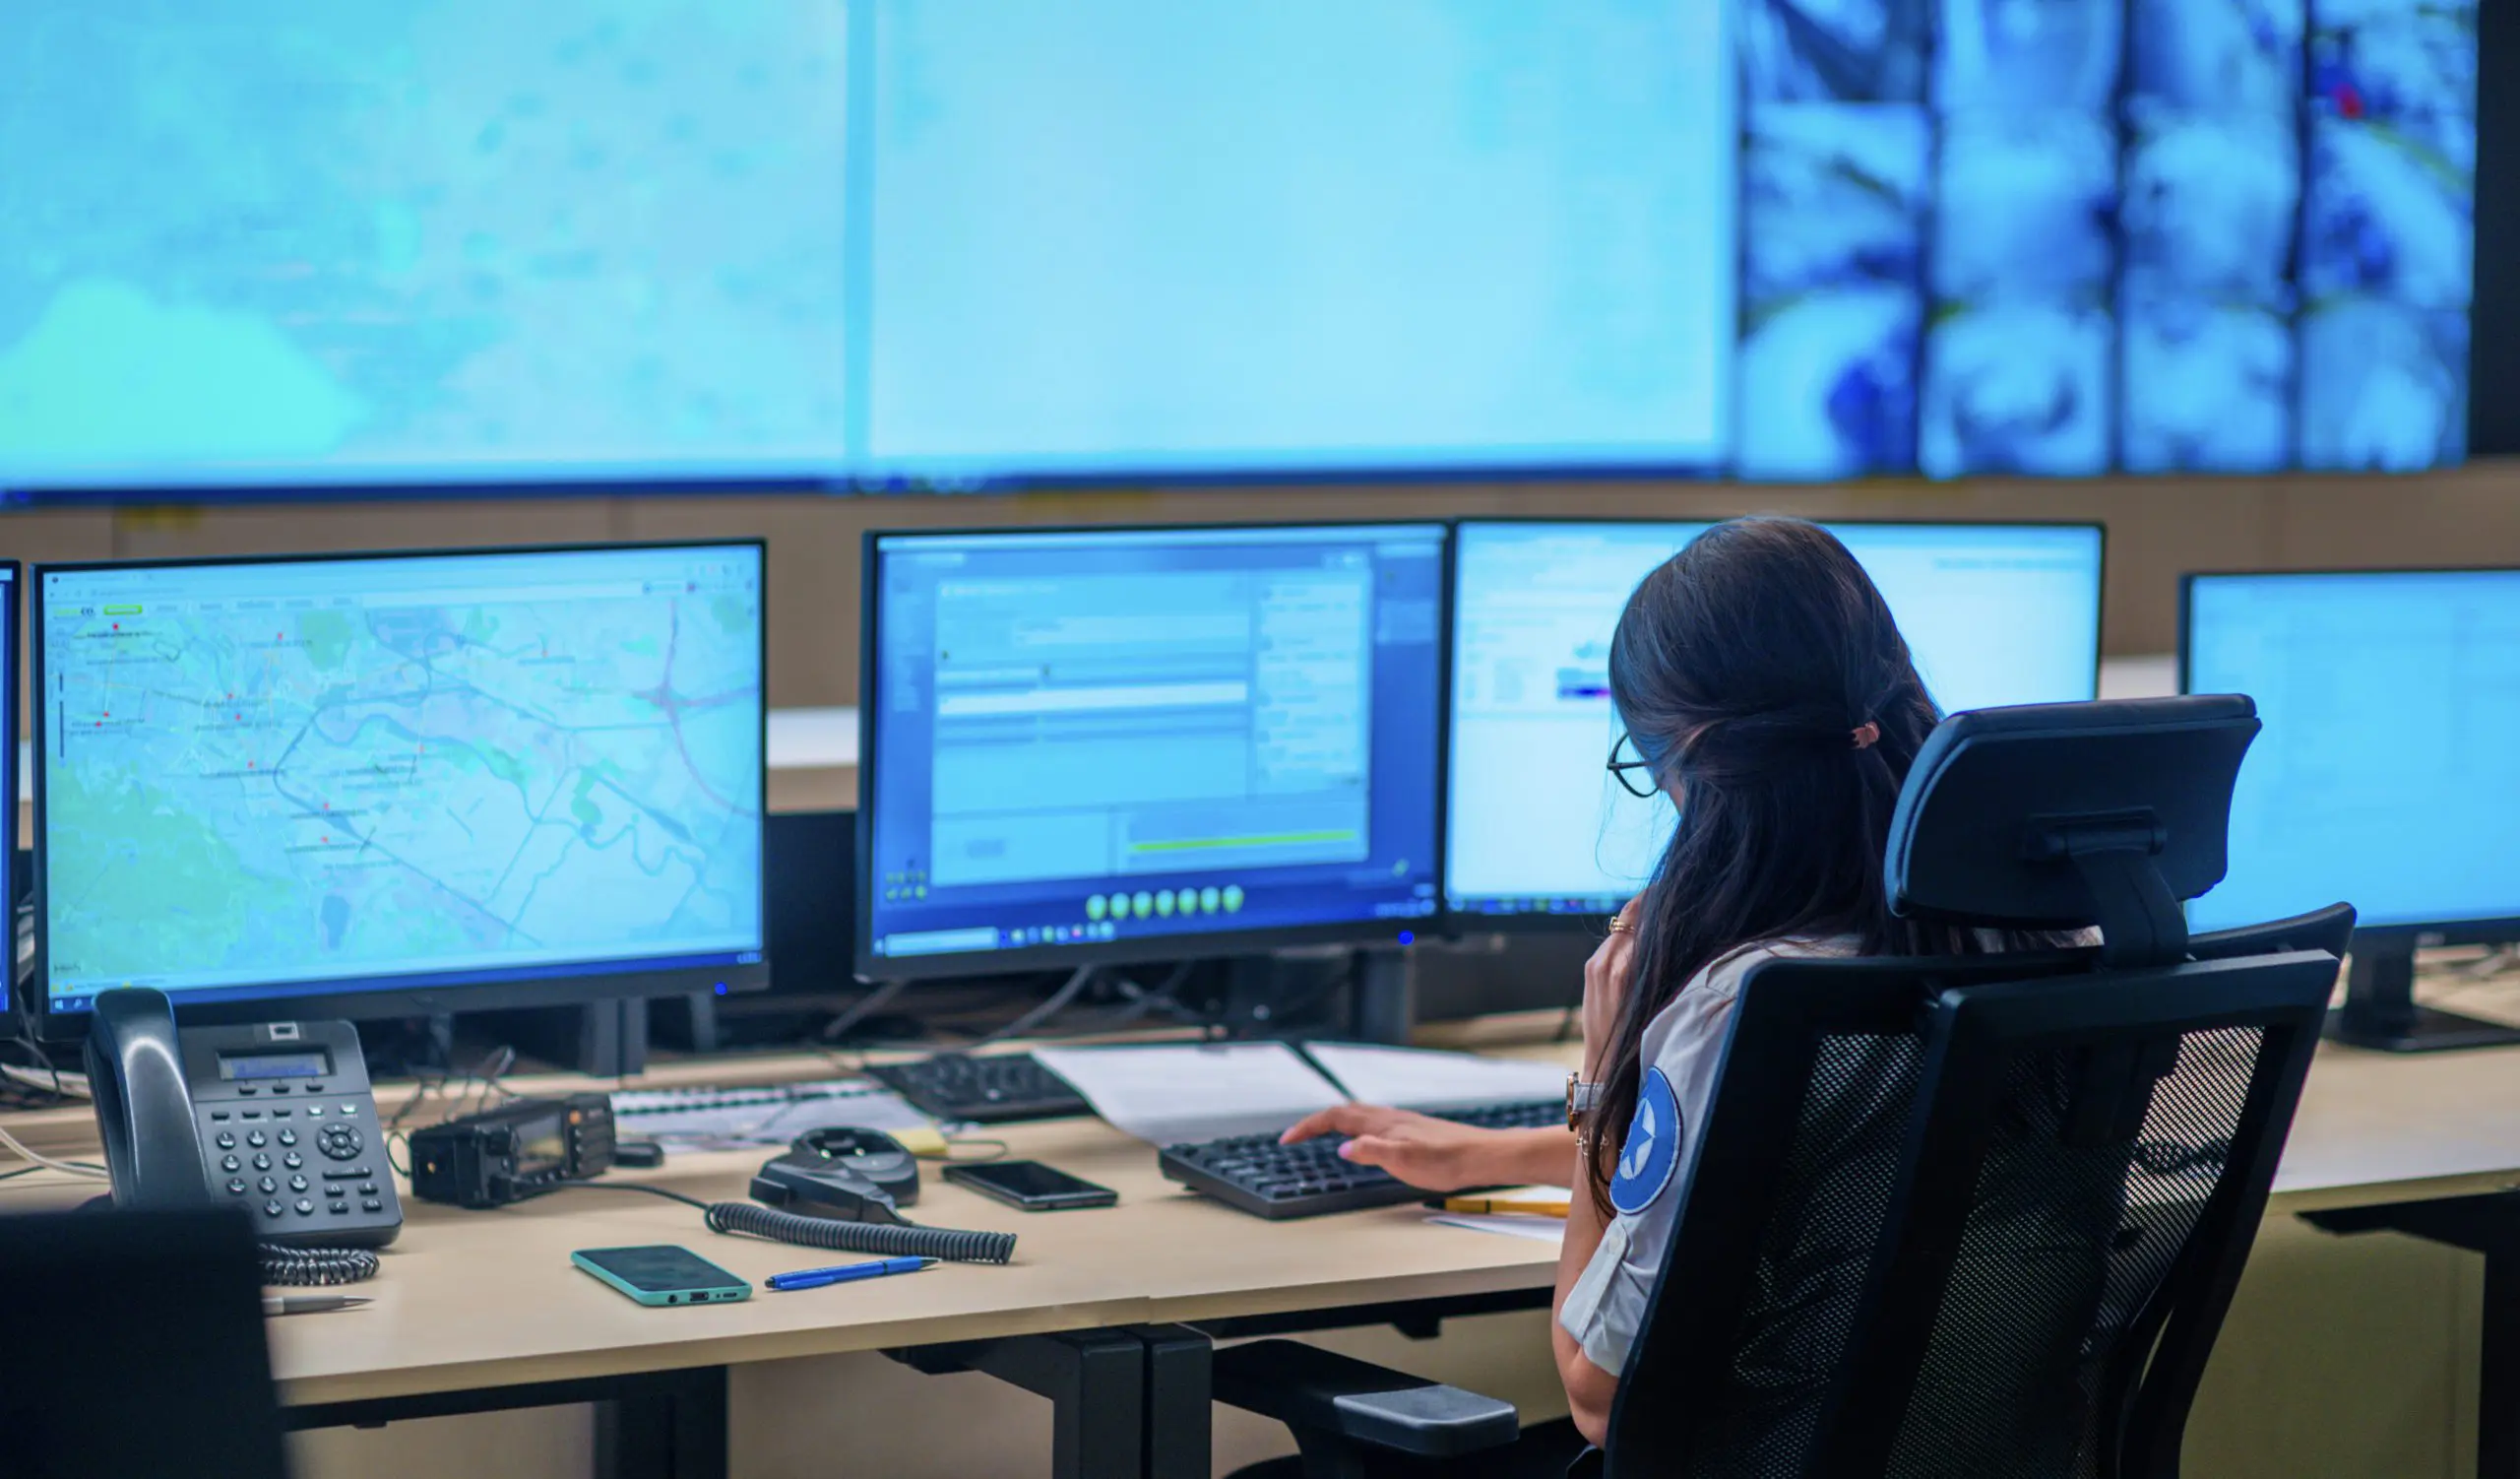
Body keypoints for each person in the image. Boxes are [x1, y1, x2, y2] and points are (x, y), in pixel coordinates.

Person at [1282, 516, 2073, 1455]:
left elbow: (1596, 1392)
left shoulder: (1734, 1004)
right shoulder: (2055, 939)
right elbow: (1821, 1162)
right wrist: (1488, 1155)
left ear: (1693, 754)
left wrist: (1604, 1084)